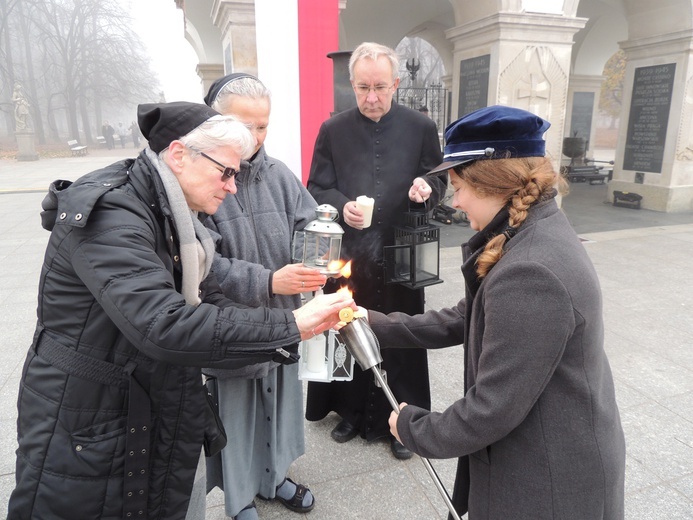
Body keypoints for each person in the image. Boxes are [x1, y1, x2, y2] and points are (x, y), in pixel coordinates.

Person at [7, 101, 354, 520]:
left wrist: (285, 329)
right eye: (226, 172)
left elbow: (205, 297)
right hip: (88, 419)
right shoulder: (113, 217)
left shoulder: (169, 209)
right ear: (177, 155)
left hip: (147, 398)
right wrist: (290, 324)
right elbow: (165, 324)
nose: (233, 187)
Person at [365, 105, 626, 518]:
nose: (456, 201)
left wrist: (414, 428)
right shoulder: (526, 234)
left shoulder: (532, 270)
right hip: (540, 457)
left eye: (458, 186)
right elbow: (465, 316)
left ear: (493, 182)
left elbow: (491, 409)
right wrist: (373, 324)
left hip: (548, 483)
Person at [305, 41, 447, 460]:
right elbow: (316, 185)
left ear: (396, 83)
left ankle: (404, 419)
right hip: (352, 254)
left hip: (403, 249)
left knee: (401, 333)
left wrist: (427, 190)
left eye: (380, 87)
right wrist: (341, 203)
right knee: (347, 328)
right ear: (352, 84)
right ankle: (349, 410)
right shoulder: (333, 129)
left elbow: (438, 179)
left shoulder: (420, 127)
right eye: (363, 87)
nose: (371, 97)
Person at [200, 73, 324, 520]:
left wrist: (318, 247)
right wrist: (269, 281)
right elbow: (203, 264)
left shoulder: (280, 174)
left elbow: (309, 223)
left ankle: (275, 479)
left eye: (263, 126)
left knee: (282, 404)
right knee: (236, 417)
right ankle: (239, 500)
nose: (254, 137)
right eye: (243, 125)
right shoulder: (201, 178)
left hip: (283, 320)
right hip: (231, 324)